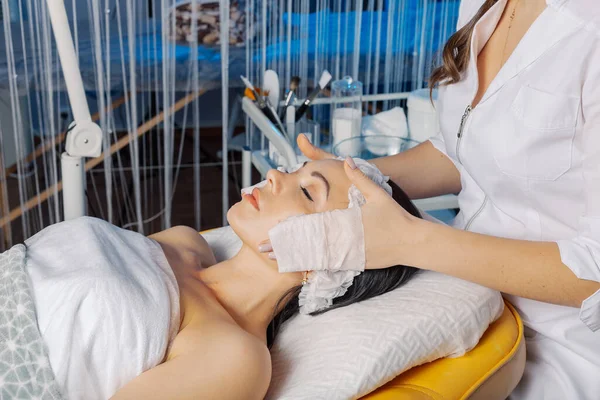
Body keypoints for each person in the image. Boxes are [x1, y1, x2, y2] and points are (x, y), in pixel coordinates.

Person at [260, 0, 600, 398]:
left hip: (561, 340)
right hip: (463, 294)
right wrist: (349, 176)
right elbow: (465, 152)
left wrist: (411, 240)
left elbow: (592, 270)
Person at [22, 159, 419, 400]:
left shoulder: (234, 358)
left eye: (307, 191)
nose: (275, 174)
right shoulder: (184, 241)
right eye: (296, 169)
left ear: (332, 261)